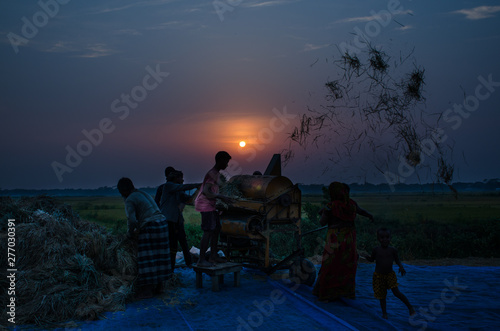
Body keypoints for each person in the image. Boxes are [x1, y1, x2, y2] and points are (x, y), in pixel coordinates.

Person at [312, 182, 374, 302]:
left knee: (329, 265)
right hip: (349, 240)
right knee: (346, 265)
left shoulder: (331, 206)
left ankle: (325, 292)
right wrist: (370, 215)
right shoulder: (351, 204)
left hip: (335, 239)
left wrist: (325, 212)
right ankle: (344, 292)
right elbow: (361, 211)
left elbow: (322, 222)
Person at [117, 177, 171, 299]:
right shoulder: (142, 193)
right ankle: (160, 287)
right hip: (162, 223)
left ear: (123, 191)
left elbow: (131, 220)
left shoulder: (130, 199)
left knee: (147, 258)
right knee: (160, 256)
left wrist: (129, 234)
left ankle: (147, 290)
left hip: (150, 226)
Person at [363, 227, 416, 319]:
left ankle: (410, 307)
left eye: (387, 237)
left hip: (390, 275)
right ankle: (384, 313)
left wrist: (401, 266)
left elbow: (397, 260)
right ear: (378, 239)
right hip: (379, 276)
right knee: (382, 296)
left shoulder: (393, 250)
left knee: (396, 293)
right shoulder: (376, 250)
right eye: (382, 237)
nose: (385, 240)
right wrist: (367, 257)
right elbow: (372, 259)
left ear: (390, 238)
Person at [194, 151, 234, 267]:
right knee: (208, 231)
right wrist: (221, 197)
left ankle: (213, 256)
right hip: (205, 205)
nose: (227, 165)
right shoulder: (213, 173)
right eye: (226, 162)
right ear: (220, 160)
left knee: (216, 229)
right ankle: (201, 260)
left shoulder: (216, 173)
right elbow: (206, 191)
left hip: (211, 205)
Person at [159, 170, 200, 270]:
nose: (182, 180)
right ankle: (170, 267)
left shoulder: (178, 190)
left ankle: (188, 263)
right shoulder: (168, 186)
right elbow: (182, 187)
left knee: (183, 242)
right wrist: (197, 185)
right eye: (181, 178)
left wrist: (197, 192)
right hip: (169, 220)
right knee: (172, 245)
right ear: (176, 178)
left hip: (177, 220)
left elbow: (188, 199)